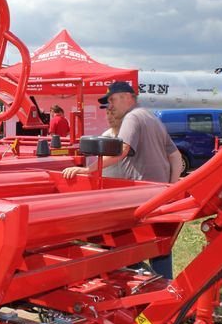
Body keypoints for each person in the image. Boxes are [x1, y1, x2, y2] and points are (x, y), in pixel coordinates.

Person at [63, 81, 183, 278]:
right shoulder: (151, 117)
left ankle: (146, 289)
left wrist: (88, 170)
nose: (109, 106)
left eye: (112, 100)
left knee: (126, 248)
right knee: (159, 247)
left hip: (139, 197)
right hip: (158, 196)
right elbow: (175, 156)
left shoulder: (132, 117)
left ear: (128, 97)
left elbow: (122, 150)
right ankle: (166, 288)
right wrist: (170, 186)